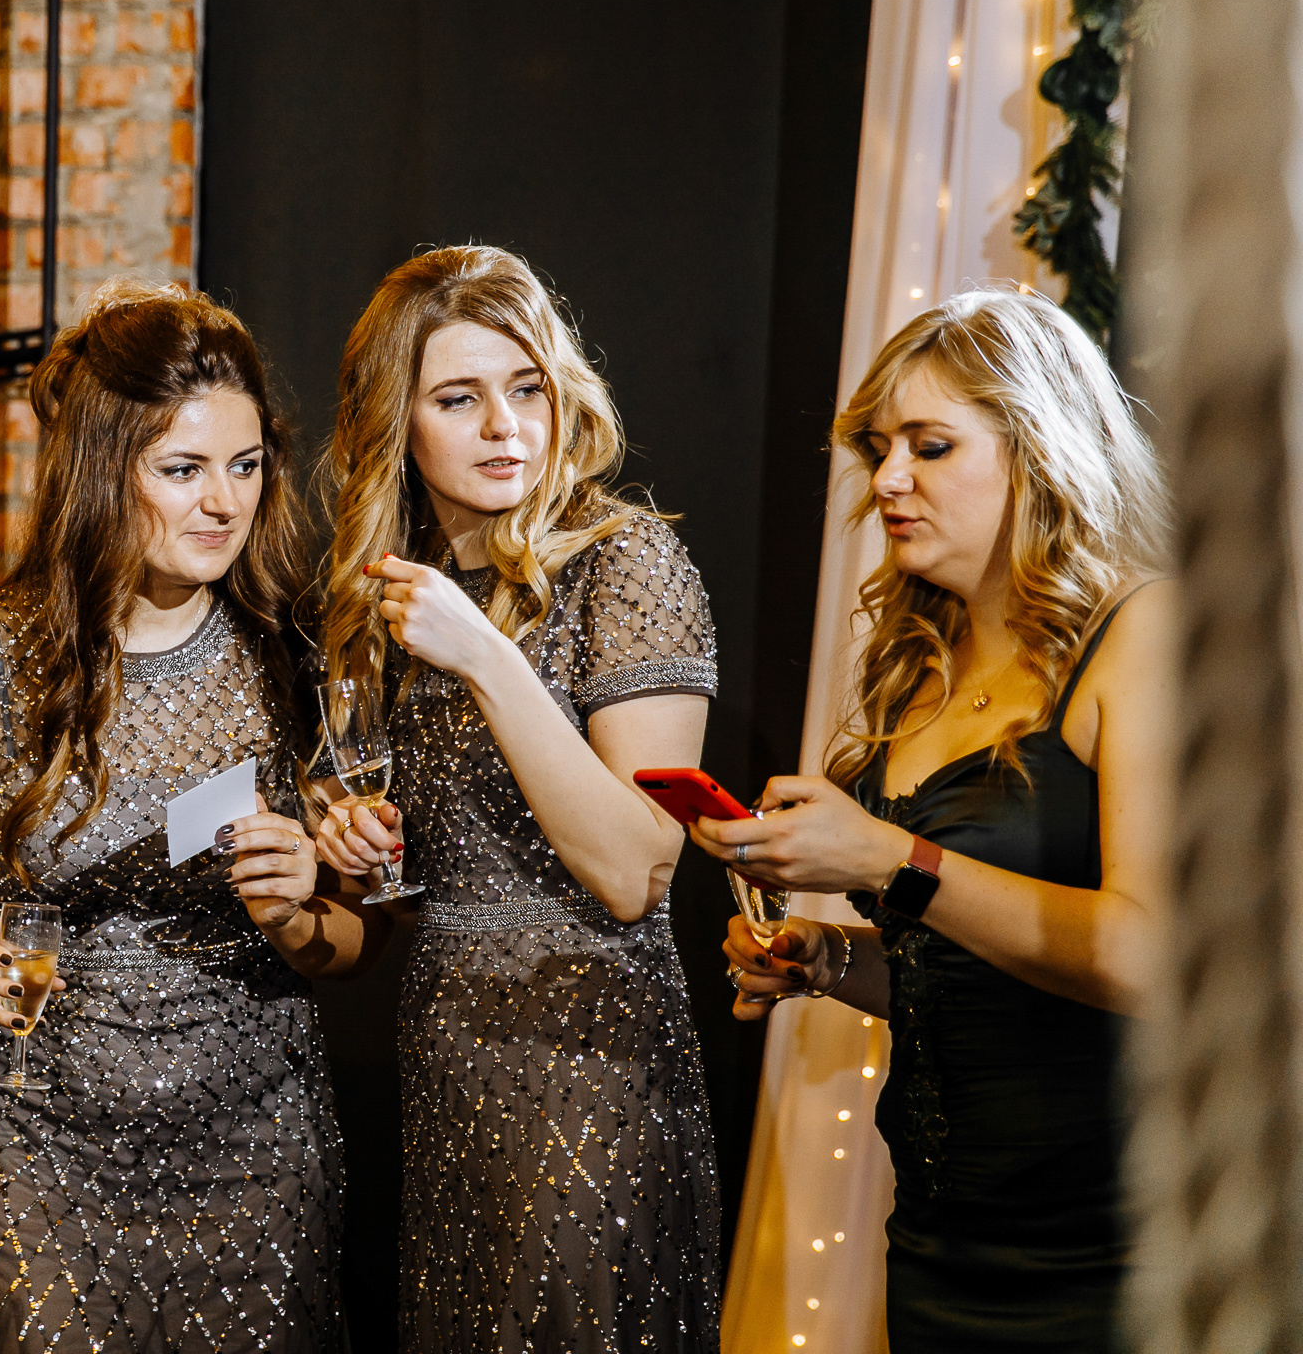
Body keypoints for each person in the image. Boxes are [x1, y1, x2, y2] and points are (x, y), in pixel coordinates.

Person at [0, 282, 369, 1353]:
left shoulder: (296, 655)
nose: (222, 502)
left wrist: (296, 905)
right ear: (99, 470)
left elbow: (356, 942)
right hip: (37, 1140)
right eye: (182, 470)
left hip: (254, 1142)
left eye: (244, 465)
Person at [694, 289, 1170, 1353]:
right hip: (942, 1249)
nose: (890, 478)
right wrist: (828, 960)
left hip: (1115, 1258)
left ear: (1039, 448)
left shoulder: (1140, 635)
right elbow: (953, 963)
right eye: (880, 447)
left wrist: (892, 858)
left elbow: (1152, 953)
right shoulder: (922, 666)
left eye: (931, 444)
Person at [313, 245, 723, 1352]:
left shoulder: (625, 563)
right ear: (396, 422)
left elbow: (637, 869)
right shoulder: (395, 599)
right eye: (459, 397)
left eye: (527, 387)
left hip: (594, 1065)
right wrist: (356, 849)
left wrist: (487, 656)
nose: (506, 425)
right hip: (450, 1069)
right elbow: (404, 890)